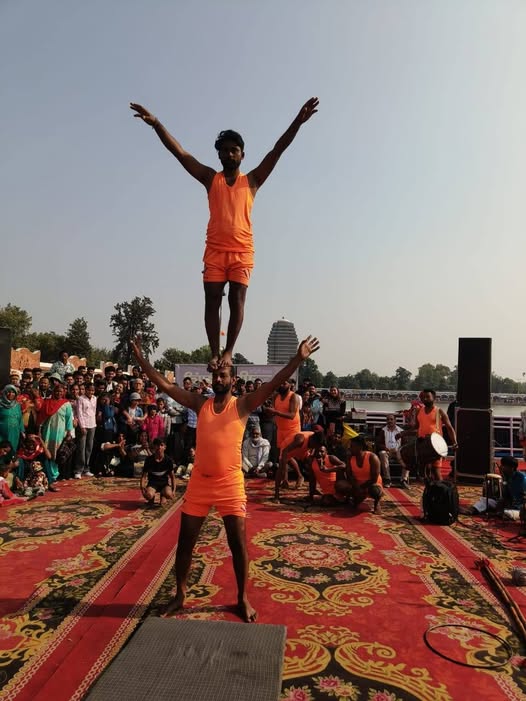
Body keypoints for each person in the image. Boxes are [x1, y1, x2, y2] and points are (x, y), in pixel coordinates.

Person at [131, 332, 319, 622]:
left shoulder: (242, 405)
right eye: (216, 375)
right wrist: (142, 359)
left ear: (233, 380)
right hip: (199, 484)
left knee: (238, 544)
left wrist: (298, 358)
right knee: (185, 544)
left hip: (231, 485)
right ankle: (180, 595)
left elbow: (272, 384)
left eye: (224, 376)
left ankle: (242, 597)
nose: (219, 379)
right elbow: (164, 384)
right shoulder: (199, 403)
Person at [130, 98, 319, 370]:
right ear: (219, 155)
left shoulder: (252, 180)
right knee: (212, 301)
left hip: (242, 251)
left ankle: (229, 351)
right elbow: (181, 154)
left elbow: (277, 150)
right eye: (225, 151)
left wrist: (297, 122)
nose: (229, 154)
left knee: (236, 300)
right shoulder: (210, 178)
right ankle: (215, 352)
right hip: (216, 250)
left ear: (242, 154)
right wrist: (157, 125)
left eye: (234, 150)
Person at [412, 389, 458, 481]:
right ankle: (429, 492)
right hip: (422, 444)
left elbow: (449, 428)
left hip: (435, 445)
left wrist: (454, 442)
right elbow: (416, 427)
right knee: (424, 472)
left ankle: (441, 492)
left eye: (428, 397)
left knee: (435, 471)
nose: (425, 399)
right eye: (423, 397)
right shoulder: (418, 411)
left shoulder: (439, 411)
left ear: (434, 398)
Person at [36, 382, 74, 491]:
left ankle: (53, 477)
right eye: (57, 391)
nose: (58, 393)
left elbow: (68, 420)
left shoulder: (66, 404)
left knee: (56, 455)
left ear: (64, 393)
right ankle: (48, 479)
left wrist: (68, 433)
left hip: (59, 434)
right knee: (47, 454)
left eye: (61, 391)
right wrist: (39, 430)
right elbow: (41, 418)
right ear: (53, 392)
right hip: (47, 432)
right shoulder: (46, 403)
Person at [335, 435, 384, 514]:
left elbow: (374, 479)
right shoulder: (350, 457)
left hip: (371, 484)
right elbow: (349, 475)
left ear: (360, 447)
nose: (349, 448)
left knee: (375, 490)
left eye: (352, 446)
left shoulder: (372, 457)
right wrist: (356, 486)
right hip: (357, 483)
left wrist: (361, 488)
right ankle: (355, 499)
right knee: (340, 485)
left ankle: (376, 503)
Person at [275, 427, 325, 500]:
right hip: (287, 450)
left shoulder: (316, 439)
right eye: (315, 446)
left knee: (313, 467)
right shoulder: (300, 440)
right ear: (313, 440)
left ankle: (312, 492)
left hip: (304, 450)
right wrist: (283, 464)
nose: (315, 447)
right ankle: (276, 495)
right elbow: (285, 451)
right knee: (281, 470)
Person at [267, 379, 301, 454]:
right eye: (280, 383)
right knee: (282, 453)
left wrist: (275, 412)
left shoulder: (293, 396)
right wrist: (269, 410)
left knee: (288, 453)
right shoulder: (275, 396)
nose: (281, 385)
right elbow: (273, 411)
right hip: (280, 429)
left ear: (289, 385)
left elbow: (292, 415)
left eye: (284, 383)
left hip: (292, 429)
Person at [140, 438, 175, 507]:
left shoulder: (169, 460)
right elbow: (143, 477)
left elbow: (172, 477)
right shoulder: (149, 460)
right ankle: (151, 498)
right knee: (148, 495)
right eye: (157, 445)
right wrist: (142, 489)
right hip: (152, 484)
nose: (159, 447)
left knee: (169, 495)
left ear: (165, 447)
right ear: (154, 447)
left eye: (161, 445)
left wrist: (173, 491)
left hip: (164, 484)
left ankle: (163, 495)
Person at [376, 414, 407, 488]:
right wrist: (386, 448)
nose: (389, 421)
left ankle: (404, 480)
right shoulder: (383, 431)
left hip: (398, 452)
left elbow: (406, 444)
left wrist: (399, 450)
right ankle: (387, 479)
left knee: (407, 456)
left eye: (391, 419)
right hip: (388, 452)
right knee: (382, 453)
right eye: (388, 420)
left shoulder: (401, 431)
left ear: (395, 421)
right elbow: (378, 443)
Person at [0, 385, 24, 453]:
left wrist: (22, 430)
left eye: (13, 392)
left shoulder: (17, 405)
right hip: (1, 432)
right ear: (4, 393)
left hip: (14, 431)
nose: (11, 394)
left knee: (12, 447)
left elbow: (20, 418)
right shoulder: (0, 405)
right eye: (8, 392)